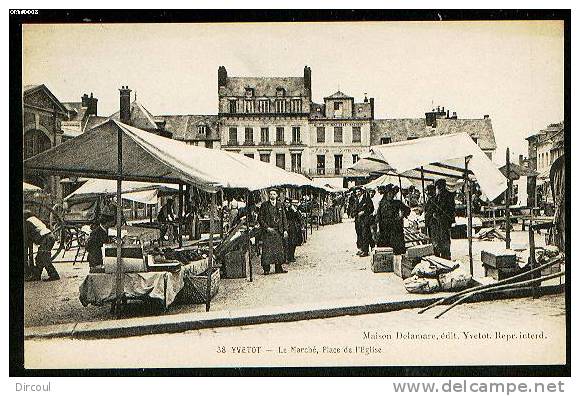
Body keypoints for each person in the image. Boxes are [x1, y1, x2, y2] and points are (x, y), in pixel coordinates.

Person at [257, 189, 288, 274]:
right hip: (268, 232)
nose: (272, 196)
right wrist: (267, 228)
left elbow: (284, 218)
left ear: (277, 195)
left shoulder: (280, 205)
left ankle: (278, 268)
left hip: (278, 231)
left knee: (278, 250)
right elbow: (260, 218)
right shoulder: (264, 205)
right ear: (269, 195)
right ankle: (266, 269)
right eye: (271, 194)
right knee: (267, 251)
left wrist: (285, 230)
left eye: (274, 194)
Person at [23, 210, 60, 281]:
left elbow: (29, 234)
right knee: (39, 258)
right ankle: (37, 275)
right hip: (49, 237)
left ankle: (54, 275)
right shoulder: (34, 219)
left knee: (44, 257)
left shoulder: (27, 222)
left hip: (46, 238)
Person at [376, 184, 411, 255]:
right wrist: (377, 227)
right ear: (386, 194)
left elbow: (407, 209)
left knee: (397, 249)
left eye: (392, 194)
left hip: (396, 228)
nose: (391, 195)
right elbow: (378, 216)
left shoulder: (397, 202)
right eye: (389, 193)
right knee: (386, 249)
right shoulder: (382, 203)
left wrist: (402, 215)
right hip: (384, 228)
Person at [431, 178, 456, 259]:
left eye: (438, 187)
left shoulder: (448, 195)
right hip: (438, 224)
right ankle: (439, 257)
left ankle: (446, 257)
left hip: (444, 222)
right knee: (438, 241)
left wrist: (440, 216)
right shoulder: (437, 196)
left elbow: (450, 210)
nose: (438, 189)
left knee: (445, 240)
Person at [354, 187, 374, 257]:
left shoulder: (366, 199)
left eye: (358, 192)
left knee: (365, 235)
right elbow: (355, 209)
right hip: (358, 220)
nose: (357, 193)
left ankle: (366, 251)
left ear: (361, 192)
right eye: (356, 192)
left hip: (365, 220)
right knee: (359, 234)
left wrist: (364, 212)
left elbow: (371, 208)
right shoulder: (357, 199)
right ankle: (361, 249)